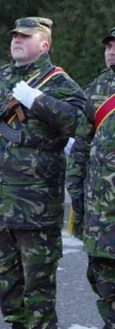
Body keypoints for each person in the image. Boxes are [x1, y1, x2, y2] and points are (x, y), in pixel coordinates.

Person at [0, 17, 85, 329]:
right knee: (4, 279)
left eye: (26, 36)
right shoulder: (1, 77)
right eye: (15, 35)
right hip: (0, 205)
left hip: (37, 208)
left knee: (39, 287)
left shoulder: (60, 83)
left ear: (44, 44)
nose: (17, 40)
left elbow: (80, 123)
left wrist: (38, 101)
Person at [66, 27, 115, 328]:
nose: (111, 51)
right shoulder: (97, 87)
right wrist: (76, 189)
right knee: (101, 276)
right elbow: (82, 144)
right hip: (100, 210)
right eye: (108, 46)